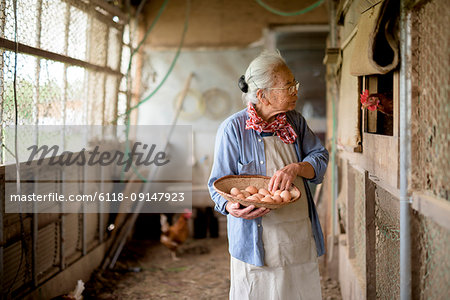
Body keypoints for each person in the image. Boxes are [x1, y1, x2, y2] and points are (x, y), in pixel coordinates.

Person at [207, 50, 329, 300]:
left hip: (296, 231)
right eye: (287, 86)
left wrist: (296, 167)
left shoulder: (295, 122)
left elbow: (320, 158)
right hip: (255, 238)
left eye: (295, 84)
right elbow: (216, 185)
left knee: (298, 292)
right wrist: (231, 208)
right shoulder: (233, 129)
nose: (295, 90)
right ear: (262, 95)